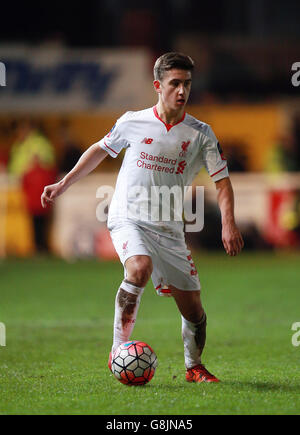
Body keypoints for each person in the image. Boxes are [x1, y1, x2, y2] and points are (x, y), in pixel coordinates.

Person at [41, 52, 244, 383]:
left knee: (193, 311)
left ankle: (193, 367)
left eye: (187, 84)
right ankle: (117, 351)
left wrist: (228, 222)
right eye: (175, 83)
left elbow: (222, 182)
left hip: (169, 229)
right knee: (138, 267)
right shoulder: (131, 121)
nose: (182, 91)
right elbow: (99, 149)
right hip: (128, 217)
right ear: (158, 86)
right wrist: (64, 182)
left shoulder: (201, 134)